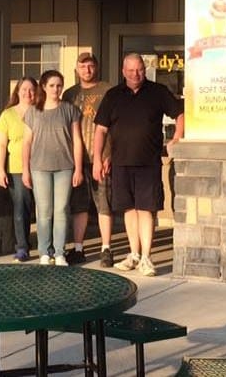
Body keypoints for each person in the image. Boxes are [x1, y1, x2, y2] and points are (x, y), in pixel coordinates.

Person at [93, 53, 183, 276]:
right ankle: (133, 254)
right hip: (120, 163)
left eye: (140, 69)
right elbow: (101, 130)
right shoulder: (113, 96)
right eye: (131, 70)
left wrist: (177, 137)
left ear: (145, 69)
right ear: (123, 71)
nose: (136, 74)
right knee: (129, 209)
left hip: (148, 163)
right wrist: (97, 158)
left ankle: (146, 258)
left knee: (147, 209)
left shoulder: (157, 91)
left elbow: (180, 114)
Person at [23, 69, 84, 266]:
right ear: (43, 86)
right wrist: (25, 169)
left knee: (61, 210)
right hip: (39, 167)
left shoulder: (69, 109)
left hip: (65, 166)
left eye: (59, 85)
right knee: (44, 210)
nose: (56, 89)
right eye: (51, 85)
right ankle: (44, 251)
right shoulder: (33, 111)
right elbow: (27, 142)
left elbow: (77, 140)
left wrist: (79, 169)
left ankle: (59, 252)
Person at [62, 52, 114, 267]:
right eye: (83, 67)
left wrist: (109, 154)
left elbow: (115, 125)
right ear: (76, 69)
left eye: (91, 66)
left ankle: (106, 248)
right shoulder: (69, 94)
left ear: (96, 67)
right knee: (78, 206)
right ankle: (79, 248)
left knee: (104, 203)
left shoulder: (108, 91)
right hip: (75, 160)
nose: (87, 70)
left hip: (100, 158)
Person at [0, 77, 37, 263]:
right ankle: (22, 248)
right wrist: (0, 170)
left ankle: (47, 247)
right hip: (17, 168)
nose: (28, 93)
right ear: (17, 91)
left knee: (44, 209)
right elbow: (1, 145)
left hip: (42, 166)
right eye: (24, 89)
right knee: (21, 208)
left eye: (31, 89)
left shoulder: (41, 111)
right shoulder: (8, 115)